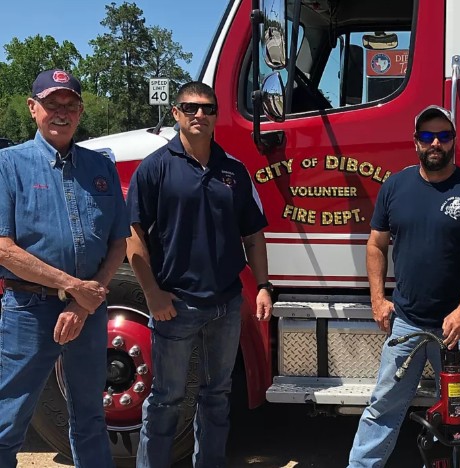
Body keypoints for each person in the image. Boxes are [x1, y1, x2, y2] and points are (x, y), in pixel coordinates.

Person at [126, 81, 273, 468]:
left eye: (207, 109)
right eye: (190, 108)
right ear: (175, 113)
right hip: (175, 306)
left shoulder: (235, 171)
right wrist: (153, 294)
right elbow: (133, 235)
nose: (199, 115)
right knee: (166, 399)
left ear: (216, 116)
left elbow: (253, 234)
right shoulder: (154, 167)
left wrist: (262, 286)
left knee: (217, 397)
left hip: (225, 305)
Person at [347, 105, 460, 467]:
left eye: (443, 136)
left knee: (457, 416)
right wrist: (377, 299)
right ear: (415, 142)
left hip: (458, 330)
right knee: (383, 405)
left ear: (454, 142)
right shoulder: (395, 187)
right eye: (427, 136)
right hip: (408, 324)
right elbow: (375, 244)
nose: (435, 143)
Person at [0, 69, 129, 467]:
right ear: (32, 108)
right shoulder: (8, 165)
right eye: (52, 104)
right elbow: (3, 249)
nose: (61, 112)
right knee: (8, 418)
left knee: (91, 416)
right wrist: (74, 286)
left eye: (70, 104)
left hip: (88, 312)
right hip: (28, 310)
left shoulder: (101, 167)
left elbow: (118, 241)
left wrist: (85, 302)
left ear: (81, 111)